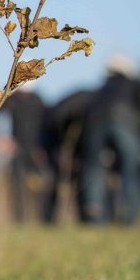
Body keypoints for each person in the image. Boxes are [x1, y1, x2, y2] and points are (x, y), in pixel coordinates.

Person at [81, 54, 140, 226]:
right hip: (126, 124)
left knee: (94, 169)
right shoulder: (135, 84)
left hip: (95, 125)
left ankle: (94, 217)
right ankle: (129, 218)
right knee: (130, 170)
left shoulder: (102, 88)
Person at [0, 83, 47, 223]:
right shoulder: (11, 100)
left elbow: (47, 123)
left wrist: (43, 146)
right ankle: (19, 220)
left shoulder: (38, 101)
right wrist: (1, 138)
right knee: (17, 186)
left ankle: (42, 219)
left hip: (36, 150)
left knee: (40, 186)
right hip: (17, 150)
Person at [40, 88, 94, 224]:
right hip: (57, 144)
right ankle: (49, 219)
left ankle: (83, 218)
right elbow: (56, 128)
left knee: (78, 181)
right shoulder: (65, 112)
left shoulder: (84, 104)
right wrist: (62, 156)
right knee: (56, 181)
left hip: (73, 147)